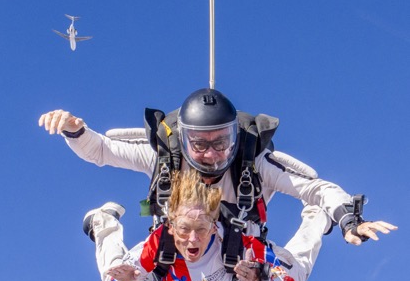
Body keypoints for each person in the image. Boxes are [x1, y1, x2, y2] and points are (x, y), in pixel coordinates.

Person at [39, 88, 397, 248]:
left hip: (237, 254)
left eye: (221, 142)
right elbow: (102, 150)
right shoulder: (165, 159)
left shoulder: (251, 163)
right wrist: (75, 129)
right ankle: (103, 225)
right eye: (200, 143)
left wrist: (350, 219)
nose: (211, 154)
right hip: (177, 248)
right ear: (184, 139)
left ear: (234, 138)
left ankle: (315, 226)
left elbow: (315, 187)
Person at [83, 170, 395, 281]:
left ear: (214, 226)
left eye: (202, 229)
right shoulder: (159, 242)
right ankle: (103, 223)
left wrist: (261, 278)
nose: (192, 240)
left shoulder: (239, 244)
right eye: (184, 230)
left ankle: (317, 218)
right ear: (171, 226)